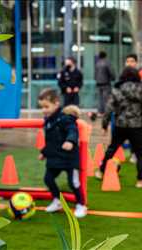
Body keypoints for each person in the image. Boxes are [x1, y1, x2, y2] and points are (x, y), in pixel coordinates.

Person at [95, 67, 142, 188]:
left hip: (120, 124)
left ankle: (101, 171)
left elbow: (108, 108)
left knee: (112, 149)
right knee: (141, 154)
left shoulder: (117, 90)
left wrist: (104, 125)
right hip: (137, 126)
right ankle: (140, 179)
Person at [37, 88, 87, 218]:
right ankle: (57, 200)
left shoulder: (64, 118)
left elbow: (72, 130)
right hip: (55, 158)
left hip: (69, 158)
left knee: (73, 183)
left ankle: (81, 204)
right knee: (48, 179)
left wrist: (70, 141)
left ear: (56, 103)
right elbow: (51, 141)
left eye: (46, 107)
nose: (44, 110)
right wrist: (44, 153)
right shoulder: (48, 121)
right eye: (42, 107)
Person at [95, 51, 115, 115]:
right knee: (106, 99)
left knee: (100, 98)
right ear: (105, 56)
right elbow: (111, 72)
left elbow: (95, 74)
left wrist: (97, 79)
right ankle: (106, 112)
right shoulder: (107, 62)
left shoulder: (97, 63)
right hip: (106, 83)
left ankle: (100, 112)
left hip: (98, 83)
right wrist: (113, 78)